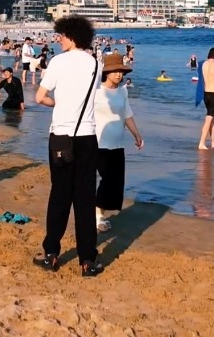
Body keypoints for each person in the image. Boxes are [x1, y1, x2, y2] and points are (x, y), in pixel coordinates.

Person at [33, 15, 105, 277]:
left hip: (61, 136)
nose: (58, 39)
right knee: (85, 199)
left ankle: (51, 253)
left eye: (61, 35)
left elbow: (40, 97)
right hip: (87, 136)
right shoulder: (96, 64)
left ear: (72, 36)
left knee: (60, 196)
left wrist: (57, 105)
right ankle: (88, 260)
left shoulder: (58, 62)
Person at [94, 52, 143, 233]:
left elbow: (127, 114)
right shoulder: (96, 92)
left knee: (115, 183)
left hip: (117, 144)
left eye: (121, 71)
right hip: (98, 143)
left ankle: (100, 212)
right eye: (115, 71)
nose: (118, 74)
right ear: (106, 72)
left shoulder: (123, 92)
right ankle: (97, 215)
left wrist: (136, 135)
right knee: (106, 181)